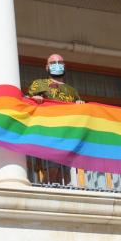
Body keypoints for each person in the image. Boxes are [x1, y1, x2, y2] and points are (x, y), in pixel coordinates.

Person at [27, 54, 84, 185]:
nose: (57, 64)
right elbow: (28, 102)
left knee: (66, 175)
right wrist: (35, 100)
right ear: (47, 67)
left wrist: (81, 105)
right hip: (49, 133)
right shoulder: (39, 84)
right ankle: (44, 195)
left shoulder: (72, 91)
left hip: (68, 135)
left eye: (60, 62)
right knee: (52, 169)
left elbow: (79, 114)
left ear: (64, 66)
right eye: (53, 63)